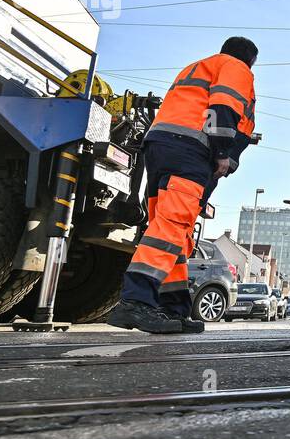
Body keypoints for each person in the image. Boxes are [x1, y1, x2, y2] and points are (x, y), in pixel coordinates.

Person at [109, 37, 259, 334]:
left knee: (170, 229)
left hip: (160, 148)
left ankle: (170, 307)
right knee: (173, 225)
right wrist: (222, 154)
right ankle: (135, 301)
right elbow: (222, 108)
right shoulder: (235, 68)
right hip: (190, 151)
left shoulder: (198, 67)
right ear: (250, 60)